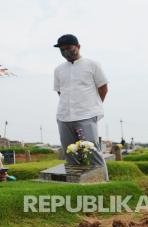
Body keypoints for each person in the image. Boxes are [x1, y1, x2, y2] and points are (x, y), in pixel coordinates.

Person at [53, 34, 109, 180]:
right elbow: (61, 92)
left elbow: (103, 88)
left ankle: (103, 184)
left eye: (68, 48)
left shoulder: (92, 65)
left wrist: (92, 107)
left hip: (87, 115)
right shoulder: (59, 70)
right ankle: (76, 184)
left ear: (78, 47)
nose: (65, 52)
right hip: (64, 116)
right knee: (70, 153)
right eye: (62, 49)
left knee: (91, 152)